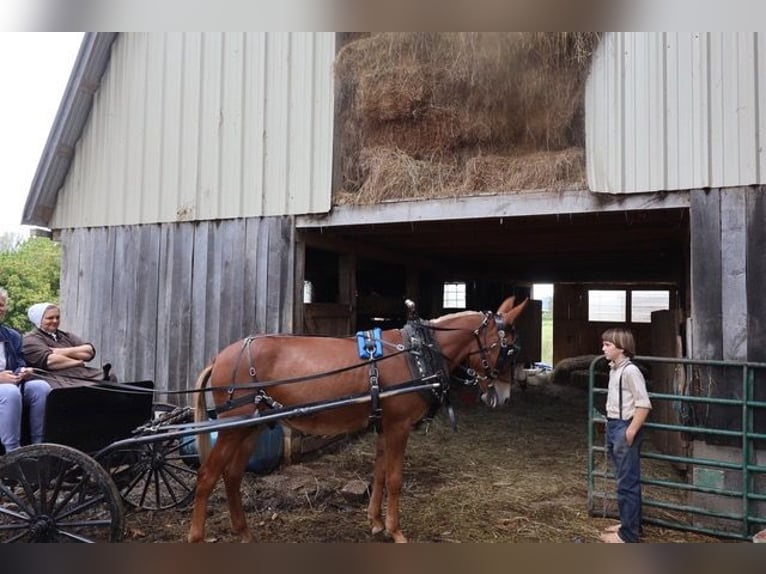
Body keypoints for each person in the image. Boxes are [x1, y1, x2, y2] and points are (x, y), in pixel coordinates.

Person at [599, 327, 652, 543]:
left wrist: (630, 430)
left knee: (627, 482)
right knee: (623, 480)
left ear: (621, 348)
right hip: (614, 425)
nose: (603, 348)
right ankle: (629, 525)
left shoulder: (630, 371)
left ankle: (628, 536)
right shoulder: (615, 369)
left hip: (624, 427)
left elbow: (644, 404)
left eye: (607, 345)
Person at [0, 287, 51, 453]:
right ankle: (13, 452)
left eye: (2, 305)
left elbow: (20, 361)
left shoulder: (12, 335)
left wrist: (23, 371)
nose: (0, 309)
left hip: (11, 384)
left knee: (41, 387)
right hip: (6, 389)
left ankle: (39, 446)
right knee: (9, 391)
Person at [22, 302, 115, 389]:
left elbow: (89, 352)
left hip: (80, 373)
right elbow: (51, 362)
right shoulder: (30, 339)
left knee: (110, 376)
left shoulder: (66, 336)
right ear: (39, 320)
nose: (55, 321)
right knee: (76, 390)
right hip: (55, 377)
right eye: (50, 318)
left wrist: (59, 351)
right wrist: (78, 361)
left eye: (57, 317)